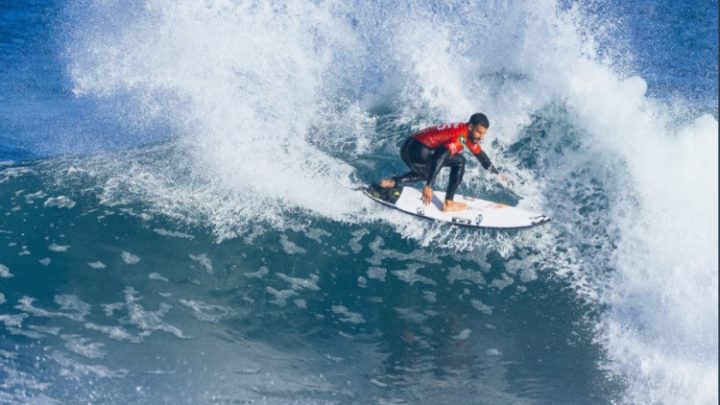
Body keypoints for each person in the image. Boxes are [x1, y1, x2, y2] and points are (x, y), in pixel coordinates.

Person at [379, 113, 508, 212]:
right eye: (479, 132)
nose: (481, 137)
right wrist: (429, 186)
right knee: (460, 161)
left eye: (483, 134)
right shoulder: (460, 137)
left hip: (409, 147)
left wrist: (497, 175)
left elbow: (481, 156)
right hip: (419, 150)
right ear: (470, 126)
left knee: (426, 172)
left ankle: (393, 182)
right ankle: (448, 203)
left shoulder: (466, 134)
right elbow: (439, 157)